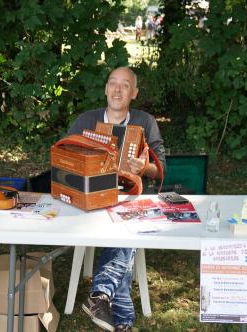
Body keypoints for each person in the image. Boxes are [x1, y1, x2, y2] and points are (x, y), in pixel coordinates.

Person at [67, 67, 166, 332]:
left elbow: (161, 169)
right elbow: (64, 158)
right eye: (113, 83)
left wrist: (143, 168)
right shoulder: (86, 120)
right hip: (91, 198)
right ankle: (120, 317)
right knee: (126, 235)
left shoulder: (145, 122)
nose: (117, 90)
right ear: (105, 88)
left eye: (125, 85)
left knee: (126, 227)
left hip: (130, 198)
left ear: (134, 93)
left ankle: (101, 296)